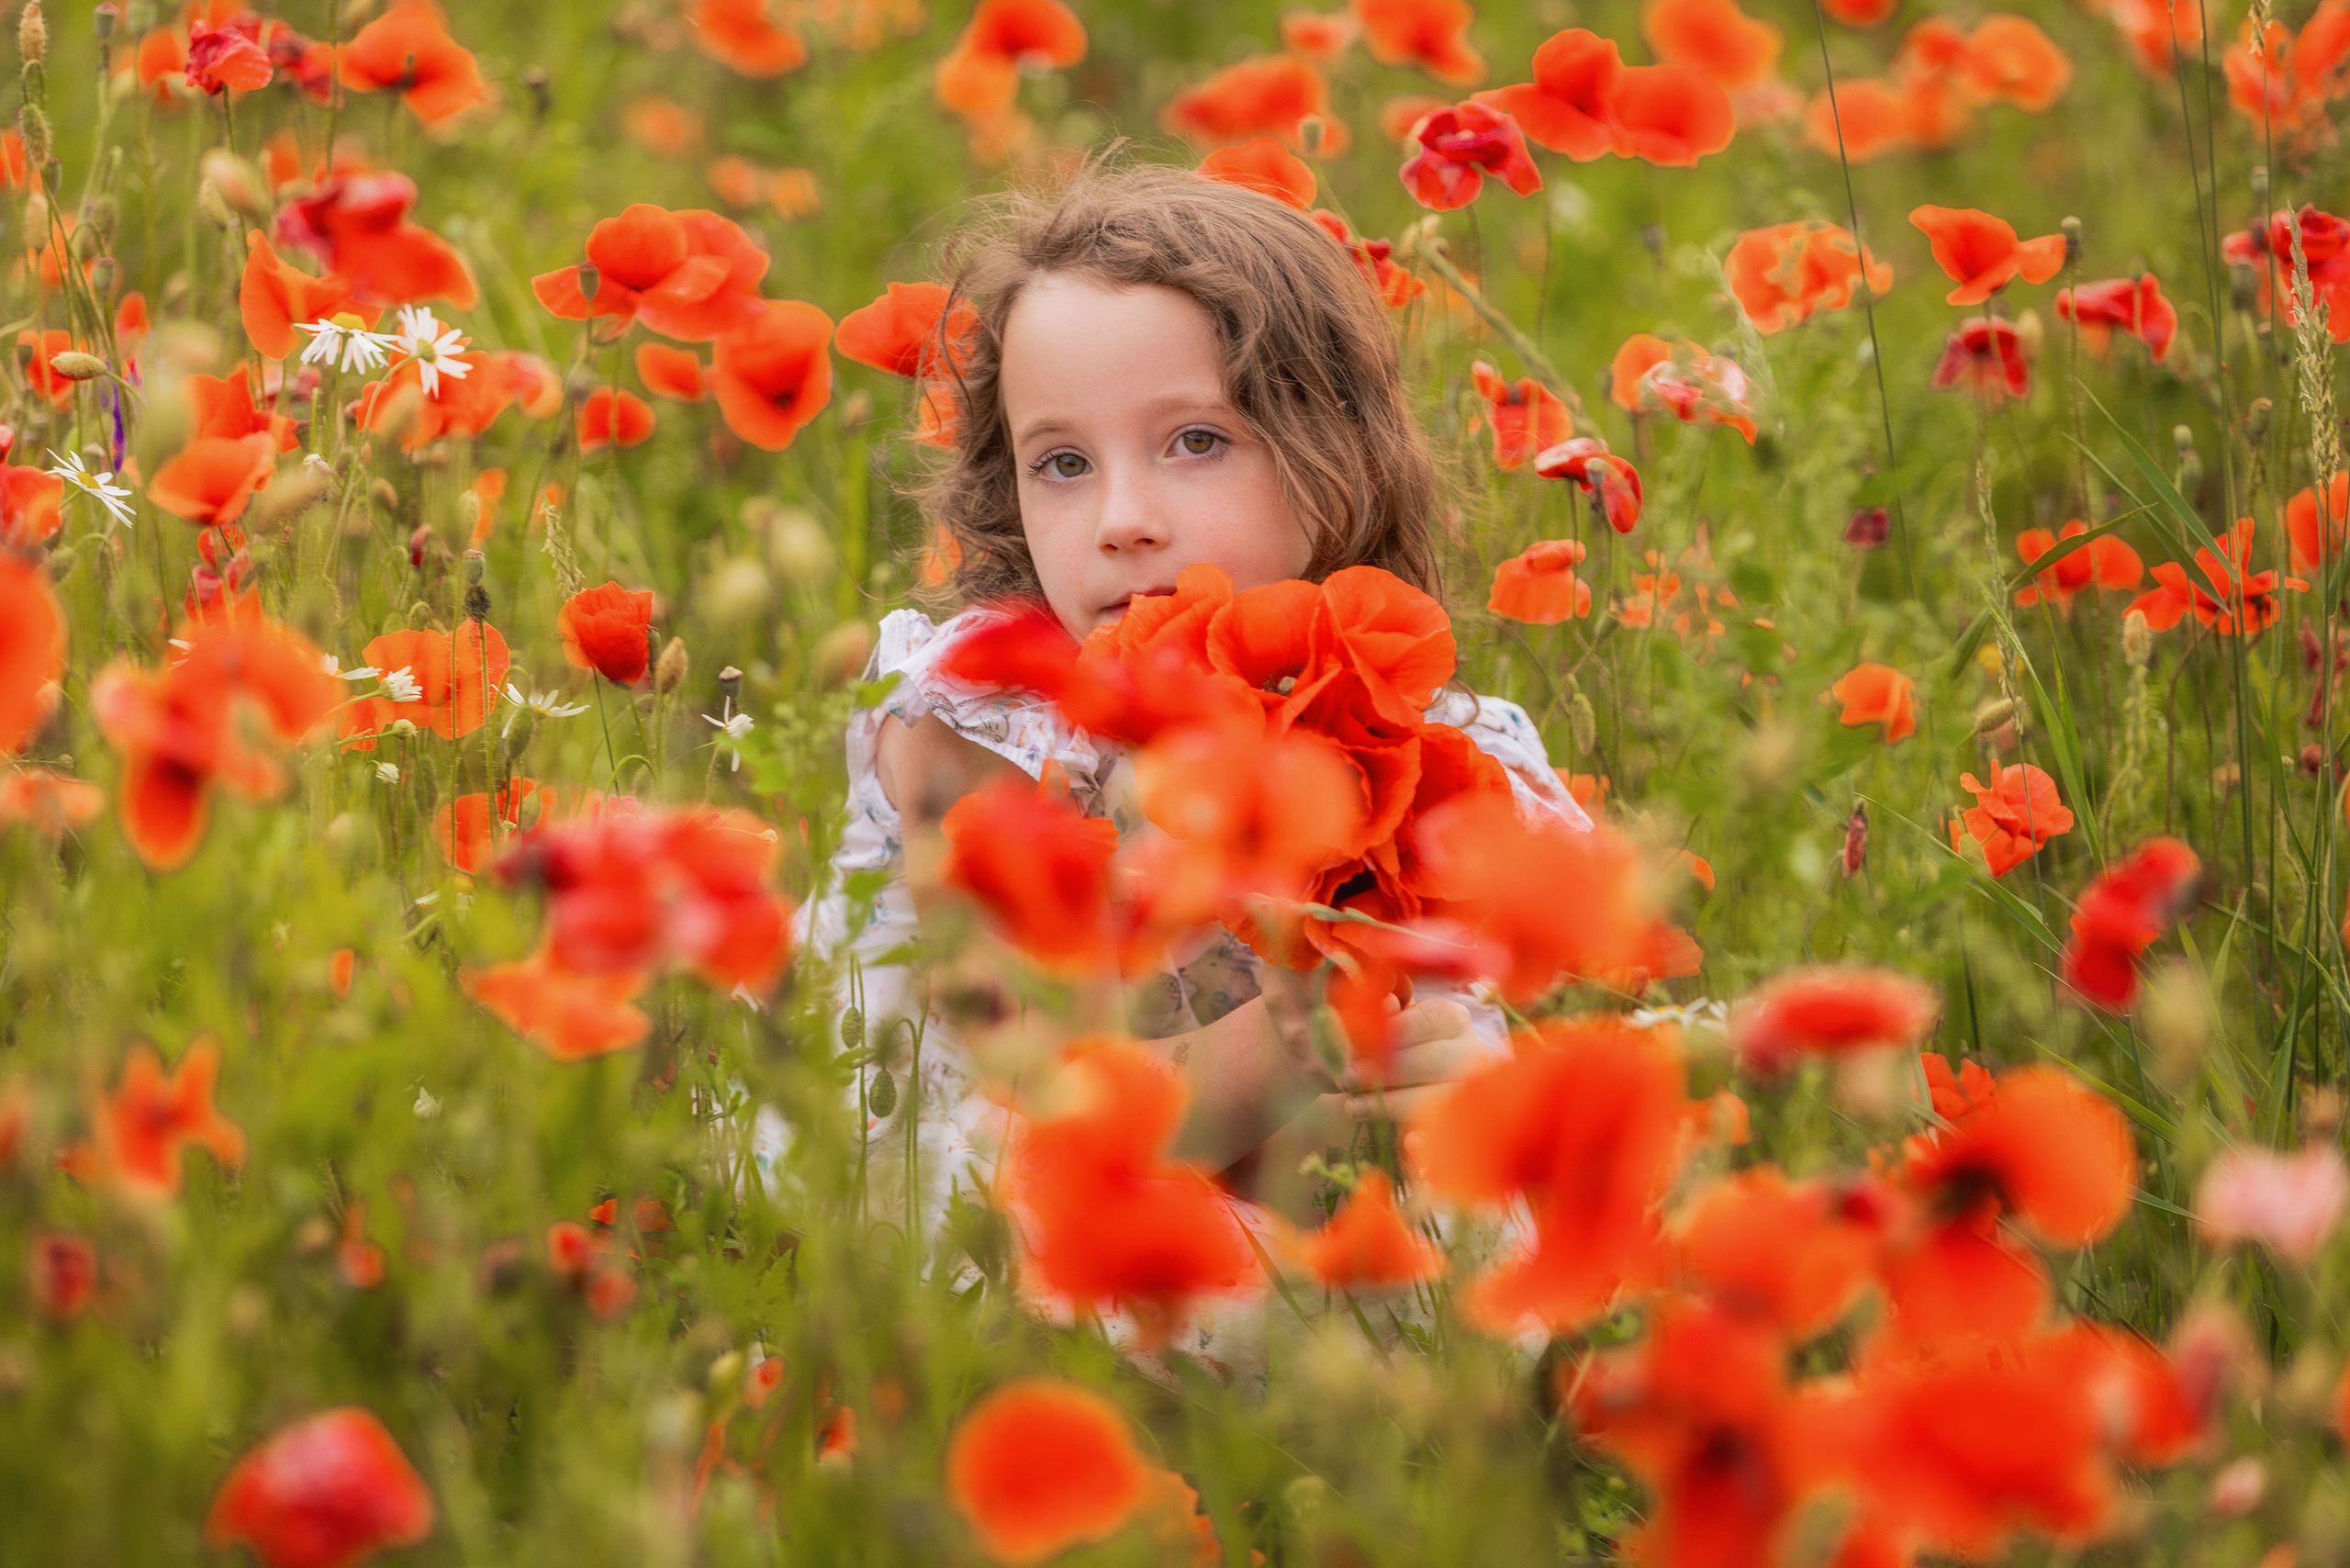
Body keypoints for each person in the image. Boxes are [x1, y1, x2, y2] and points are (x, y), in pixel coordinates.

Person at [797, 156, 1589, 1317]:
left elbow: (1424, 1069)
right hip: (1002, 1195)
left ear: (1341, 455)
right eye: (1062, 464)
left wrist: (1433, 1084)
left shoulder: (1408, 744)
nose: (1121, 521)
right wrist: (1311, 1045)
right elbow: (1061, 1109)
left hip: (1272, 1198)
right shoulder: (978, 723)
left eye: (1196, 441)